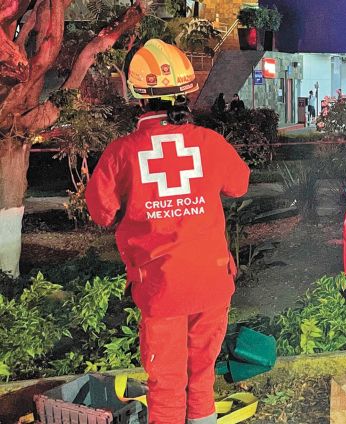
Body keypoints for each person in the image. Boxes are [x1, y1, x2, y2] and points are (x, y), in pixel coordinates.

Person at [86, 39, 250, 424]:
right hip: (211, 281)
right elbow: (239, 184)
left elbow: (101, 212)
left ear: (138, 96)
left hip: (161, 286)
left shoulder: (122, 152)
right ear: (187, 92)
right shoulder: (209, 143)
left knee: (167, 383)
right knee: (202, 377)